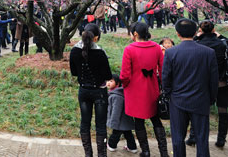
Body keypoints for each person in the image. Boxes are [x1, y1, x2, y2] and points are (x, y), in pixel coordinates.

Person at [121, 22, 168, 157]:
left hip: (135, 90)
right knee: (155, 119)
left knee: (139, 121)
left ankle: (146, 151)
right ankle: (163, 152)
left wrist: (125, 86)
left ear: (135, 34)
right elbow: (163, 70)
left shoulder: (129, 49)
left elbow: (124, 75)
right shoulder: (157, 48)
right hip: (152, 89)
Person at [181, 19, 226, 149]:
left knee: (200, 110)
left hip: (202, 83)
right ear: (213, 30)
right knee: (223, 110)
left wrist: (196, 36)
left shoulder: (198, 43)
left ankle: (194, 137)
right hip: (221, 82)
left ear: (200, 31)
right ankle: (221, 138)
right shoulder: (222, 44)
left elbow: (188, 46)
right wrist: (220, 36)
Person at [70, 23, 112, 157]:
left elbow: (74, 72)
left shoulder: (74, 51)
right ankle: (102, 155)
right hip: (99, 92)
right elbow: (108, 76)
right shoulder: (100, 52)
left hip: (83, 91)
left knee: (85, 122)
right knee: (100, 125)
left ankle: (88, 154)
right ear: (96, 37)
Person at [106, 74, 138, 153]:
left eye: (111, 81)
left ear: (118, 84)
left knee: (116, 133)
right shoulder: (116, 93)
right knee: (128, 133)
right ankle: (132, 147)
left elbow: (116, 111)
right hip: (125, 120)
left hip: (119, 120)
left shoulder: (117, 96)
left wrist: (114, 122)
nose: (108, 83)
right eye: (107, 81)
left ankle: (111, 145)